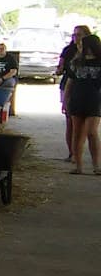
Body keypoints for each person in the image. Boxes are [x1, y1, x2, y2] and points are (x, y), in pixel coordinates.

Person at [65, 33, 101, 175]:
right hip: (78, 99)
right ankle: (78, 165)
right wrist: (66, 100)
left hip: (95, 100)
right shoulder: (76, 63)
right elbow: (69, 83)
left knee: (92, 132)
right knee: (77, 133)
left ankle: (96, 165)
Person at [58, 24, 92, 161]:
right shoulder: (68, 50)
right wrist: (59, 69)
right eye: (74, 35)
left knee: (82, 123)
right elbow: (60, 65)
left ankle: (78, 152)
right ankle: (72, 152)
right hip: (68, 84)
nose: (75, 37)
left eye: (79, 35)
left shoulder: (92, 50)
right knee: (70, 120)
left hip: (86, 87)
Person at [0, 42, 18, 124]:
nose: (0, 51)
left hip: (6, 79)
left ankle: (0, 104)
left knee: (9, 83)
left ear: (5, 50)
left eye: (2, 49)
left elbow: (13, 72)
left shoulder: (10, 58)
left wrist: (2, 79)